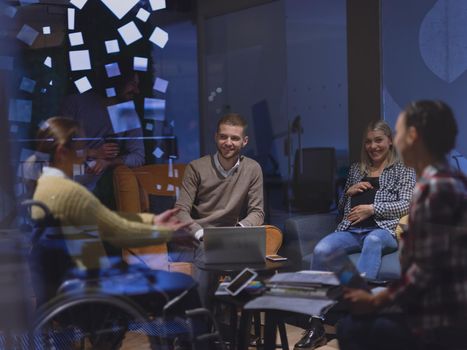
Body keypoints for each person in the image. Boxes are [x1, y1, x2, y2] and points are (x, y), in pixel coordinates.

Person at [30, 116, 200, 316]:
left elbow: (107, 220)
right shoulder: (68, 192)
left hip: (72, 284)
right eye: (80, 149)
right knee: (184, 284)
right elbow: (117, 230)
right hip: (94, 288)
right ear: (61, 153)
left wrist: (153, 221)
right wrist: (165, 232)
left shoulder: (43, 186)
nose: (85, 155)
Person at [337, 100, 467, 350]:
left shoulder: (437, 190)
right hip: (430, 305)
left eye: (396, 134)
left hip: (440, 320)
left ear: (414, 136)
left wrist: (378, 300)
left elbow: (425, 275)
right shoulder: (440, 180)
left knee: (350, 327)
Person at [295, 120, 416, 349]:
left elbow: (408, 203)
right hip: (351, 231)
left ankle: (360, 319)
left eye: (378, 140)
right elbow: (340, 209)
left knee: (372, 240)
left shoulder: (404, 169)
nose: (373, 146)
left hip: (383, 230)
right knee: (322, 249)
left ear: (389, 141)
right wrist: (347, 193)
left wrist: (372, 209)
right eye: (369, 141)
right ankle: (316, 323)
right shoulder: (356, 169)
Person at [174, 113, 265, 306]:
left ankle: (236, 325)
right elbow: (180, 210)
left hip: (232, 238)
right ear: (216, 137)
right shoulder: (196, 167)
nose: (228, 142)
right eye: (224, 136)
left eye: (235, 138)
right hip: (198, 238)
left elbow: (257, 212)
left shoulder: (253, 169)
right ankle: (202, 323)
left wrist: (238, 232)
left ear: (244, 141)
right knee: (208, 252)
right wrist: (200, 233)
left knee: (256, 264)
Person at [60, 58, 145, 208]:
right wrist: (92, 152)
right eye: (132, 84)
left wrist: (108, 162)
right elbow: (57, 147)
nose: (136, 91)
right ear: (118, 81)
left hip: (95, 192)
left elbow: (138, 156)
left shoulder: (125, 112)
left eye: (137, 85)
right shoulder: (77, 103)